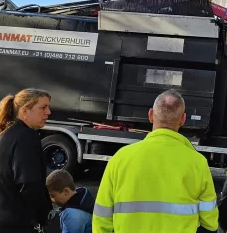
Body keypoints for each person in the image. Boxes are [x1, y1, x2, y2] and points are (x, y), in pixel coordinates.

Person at [92, 89, 219, 233]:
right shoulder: (198, 163)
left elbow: (102, 217)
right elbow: (210, 222)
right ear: (183, 119)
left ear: (151, 115)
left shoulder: (120, 158)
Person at [0, 88, 54, 233]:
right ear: (24, 112)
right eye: (43, 107)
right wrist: (42, 216)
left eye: (48, 107)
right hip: (17, 223)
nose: (48, 112)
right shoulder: (26, 137)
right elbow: (29, 183)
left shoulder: (6, 134)